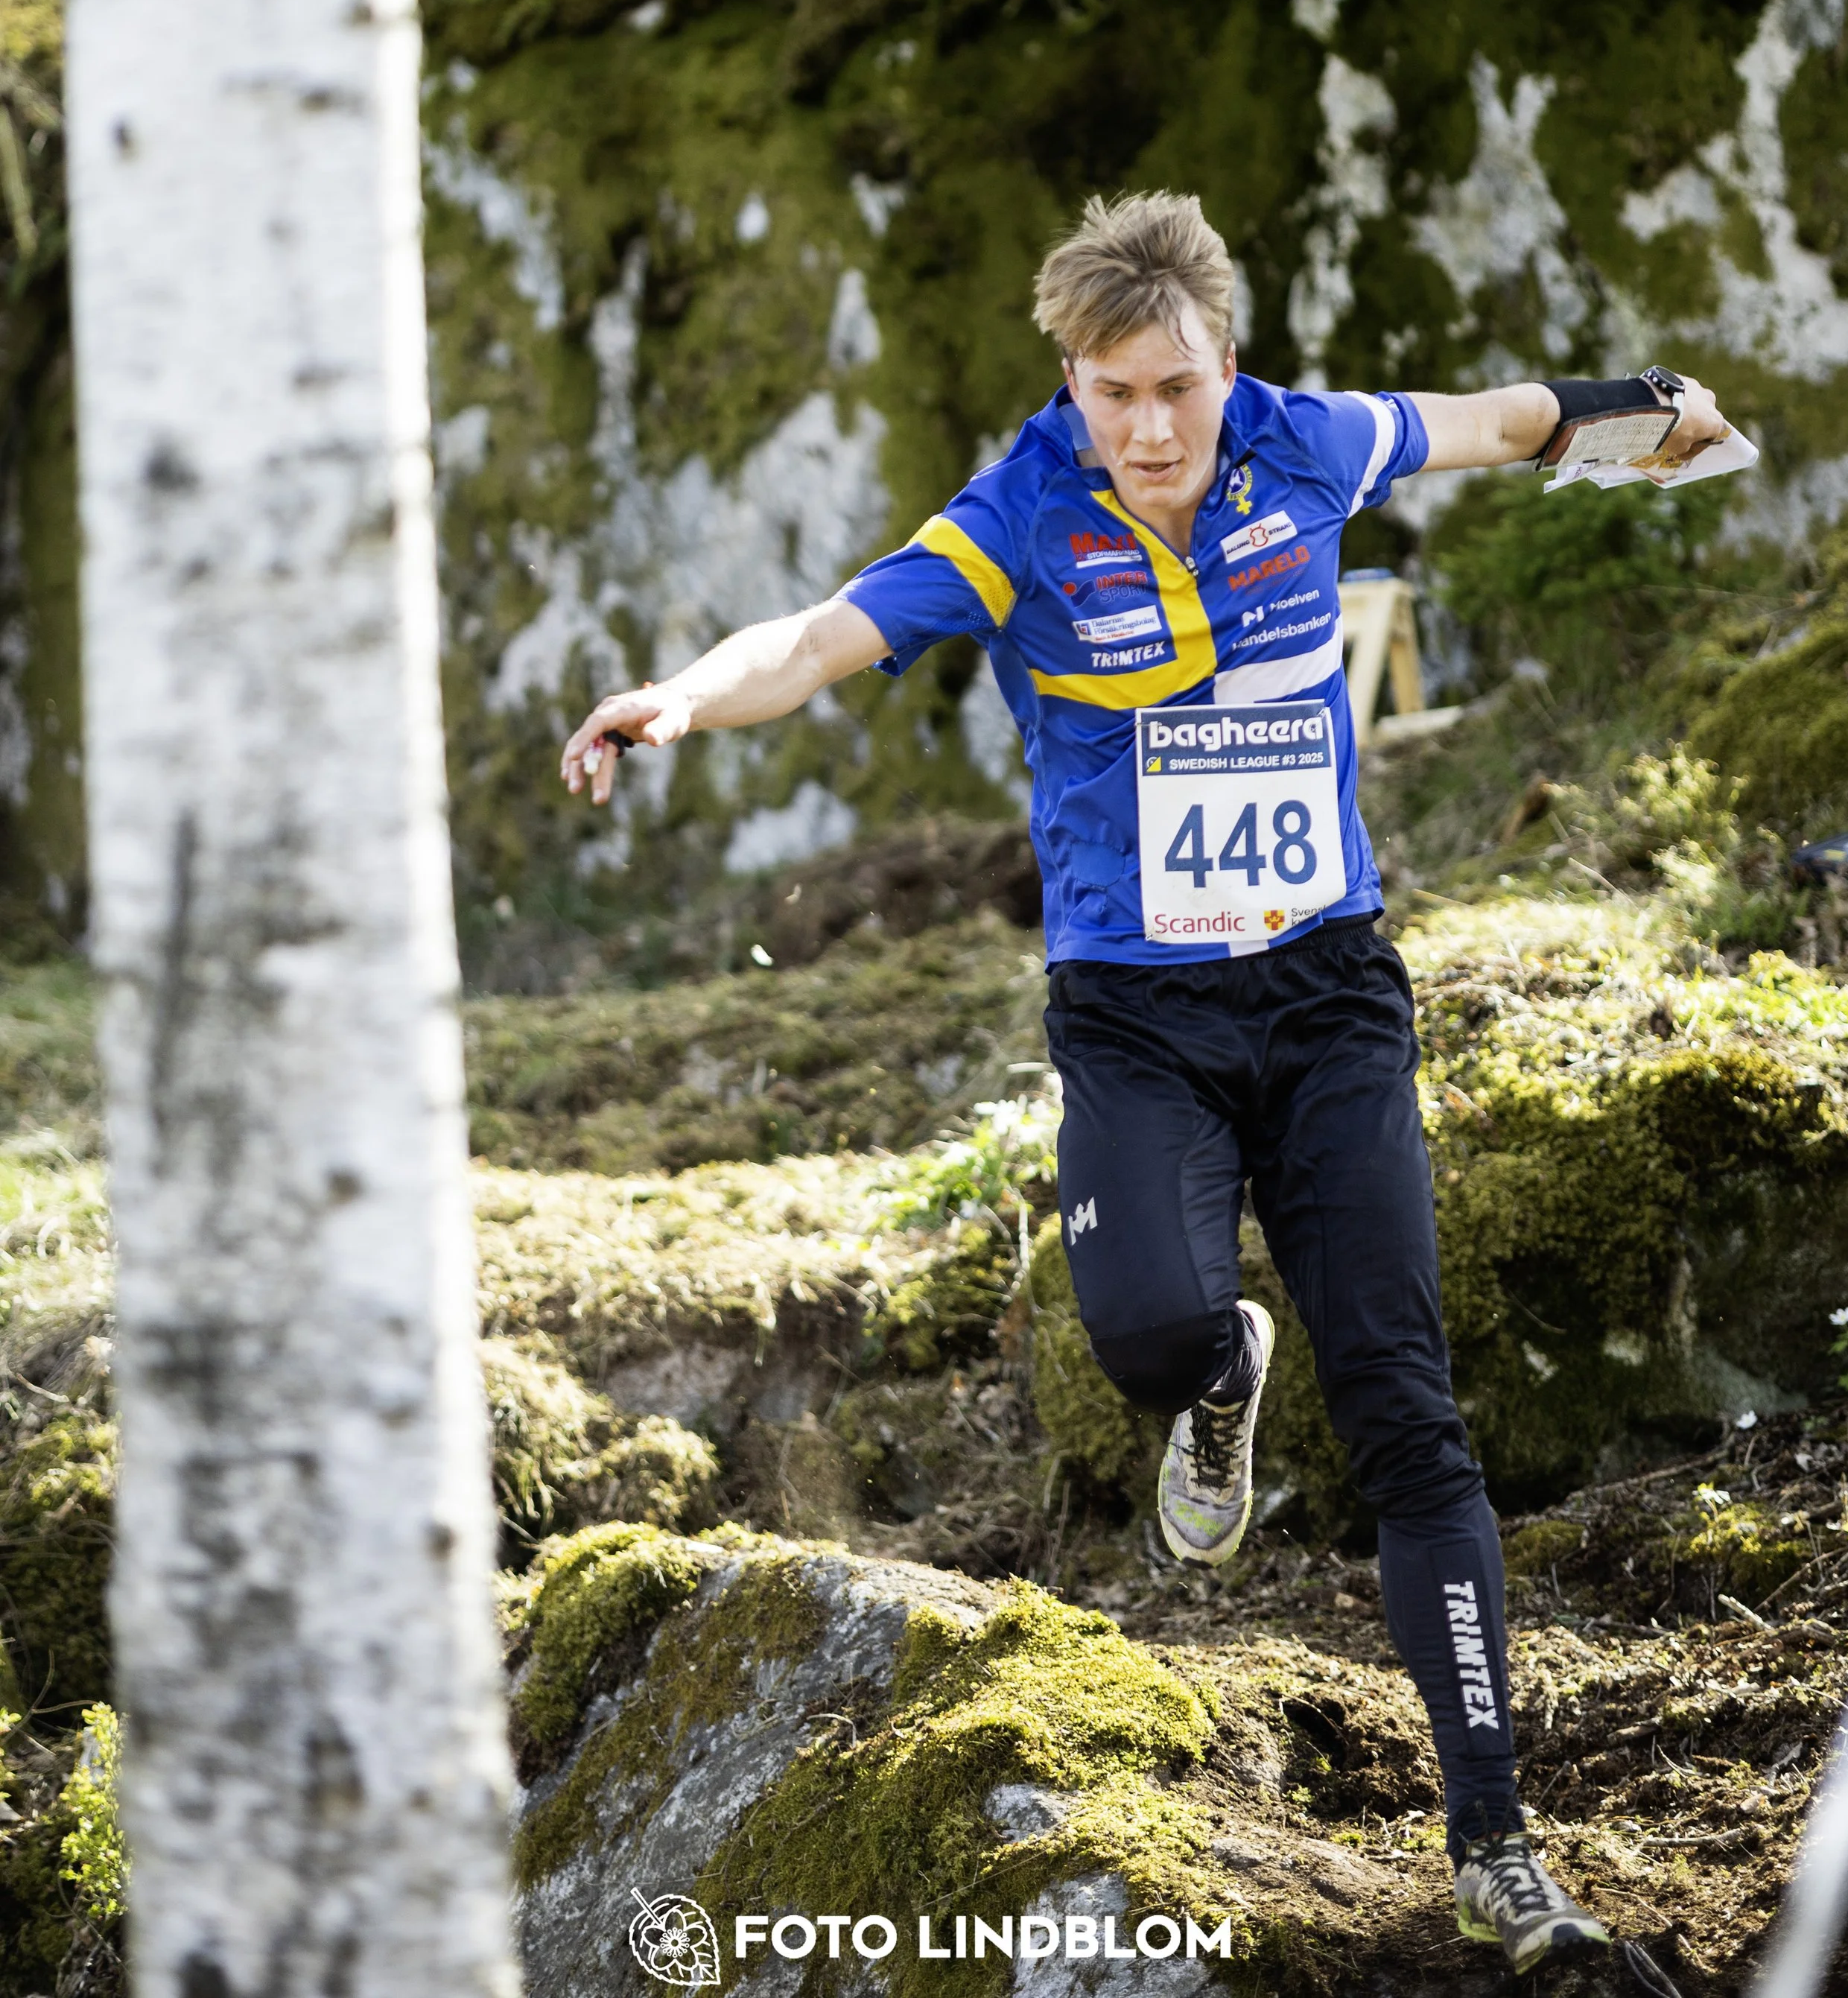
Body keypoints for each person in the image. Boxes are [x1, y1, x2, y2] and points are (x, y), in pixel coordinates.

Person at [559, 191, 1727, 1974]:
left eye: (1173, 387)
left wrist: (1651, 406)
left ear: (1224, 368)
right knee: (1148, 1334)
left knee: (1411, 1412)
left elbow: (1499, 422)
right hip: (1134, 1014)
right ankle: (1213, 1379)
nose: (1149, 431)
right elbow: (812, 638)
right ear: (1074, 388)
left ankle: (1496, 1840)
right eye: (1112, 394)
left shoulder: (1303, 444)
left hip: (1330, 992)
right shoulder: (1020, 512)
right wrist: (675, 698)